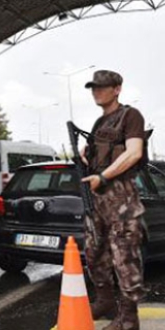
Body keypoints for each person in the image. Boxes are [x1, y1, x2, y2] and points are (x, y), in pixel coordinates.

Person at [80, 70, 146, 330]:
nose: (96, 91)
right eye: (93, 87)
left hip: (121, 196)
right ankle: (105, 301)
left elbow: (134, 153)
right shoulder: (99, 123)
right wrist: (88, 154)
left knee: (124, 256)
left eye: (102, 87)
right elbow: (99, 155)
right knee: (95, 252)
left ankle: (129, 318)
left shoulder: (130, 115)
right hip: (97, 197)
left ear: (117, 89)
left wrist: (103, 176)